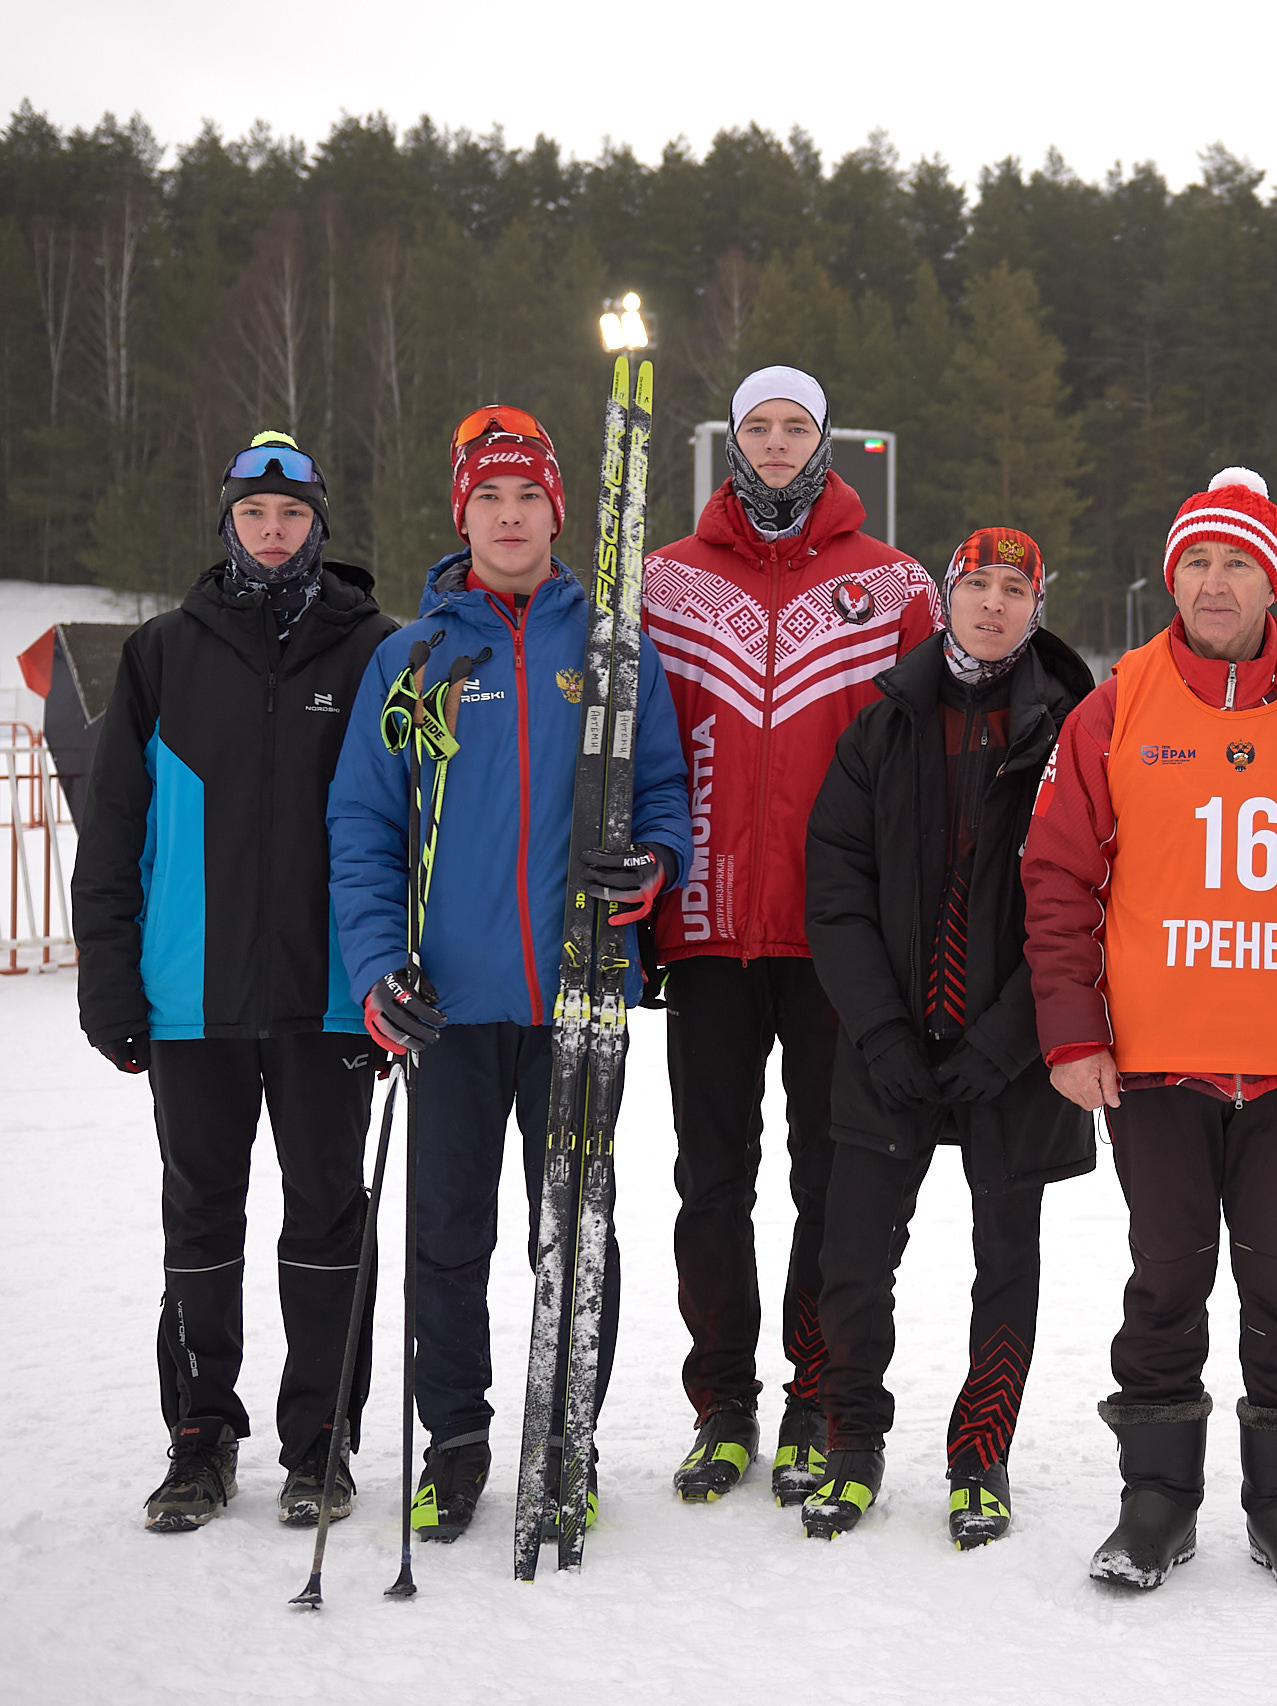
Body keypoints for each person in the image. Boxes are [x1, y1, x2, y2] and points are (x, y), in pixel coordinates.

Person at [328, 406, 691, 1543]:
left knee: (576, 1228)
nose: (509, 515)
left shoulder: (615, 648)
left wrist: (652, 869)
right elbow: (364, 824)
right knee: (447, 1231)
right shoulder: (419, 654)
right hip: (450, 1002)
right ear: (462, 515)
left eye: (527, 497)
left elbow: (669, 794)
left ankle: (564, 1439)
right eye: (488, 498)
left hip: (580, 996)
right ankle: (458, 1444)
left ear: (557, 511)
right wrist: (382, 966)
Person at [1022, 468, 1277, 1600]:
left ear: (1270, 579)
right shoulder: (1117, 699)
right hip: (1156, 1059)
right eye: (1194, 562)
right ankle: (1156, 1497)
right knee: (1162, 1280)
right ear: (1169, 574)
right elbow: (1058, 873)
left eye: (1234, 563)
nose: (1212, 582)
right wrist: (1074, 1029)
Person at [72, 433, 398, 1533]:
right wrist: (109, 978)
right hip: (191, 997)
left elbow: (415, 828)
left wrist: (402, 969)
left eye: (292, 515)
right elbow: (112, 828)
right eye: (254, 514)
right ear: (228, 525)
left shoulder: (375, 649)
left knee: (324, 1216)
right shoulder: (163, 652)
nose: (273, 532)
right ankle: (201, 1433)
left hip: (329, 993)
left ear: (319, 525)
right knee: (200, 1220)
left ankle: (321, 1437)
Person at [640, 365, 942, 1504]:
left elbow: (917, 767)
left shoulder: (894, 583)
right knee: (711, 1178)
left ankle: (817, 1393)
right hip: (709, 925)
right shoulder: (667, 581)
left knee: (832, 1177)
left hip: (836, 941)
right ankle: (723, 1401)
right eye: (757, 426)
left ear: (825, 442)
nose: (774, 443)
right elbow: (633, 746)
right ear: (732, 438)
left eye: (794, 427)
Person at [800, 526, 1096, 1545]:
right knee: (852, 1256)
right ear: (945, 593)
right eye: (978, 584)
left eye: (1017, 587)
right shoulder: (885, 721)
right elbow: (834, 890)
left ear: (1035, 604)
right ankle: (850, 1441)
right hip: (889, 1043)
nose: (994, 603)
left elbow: (1087, 894)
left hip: (1006, 1055)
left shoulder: (1072, 728)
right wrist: (880, 1029)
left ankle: (981, 1452)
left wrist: (1005, 1040)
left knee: (1006, 1257)